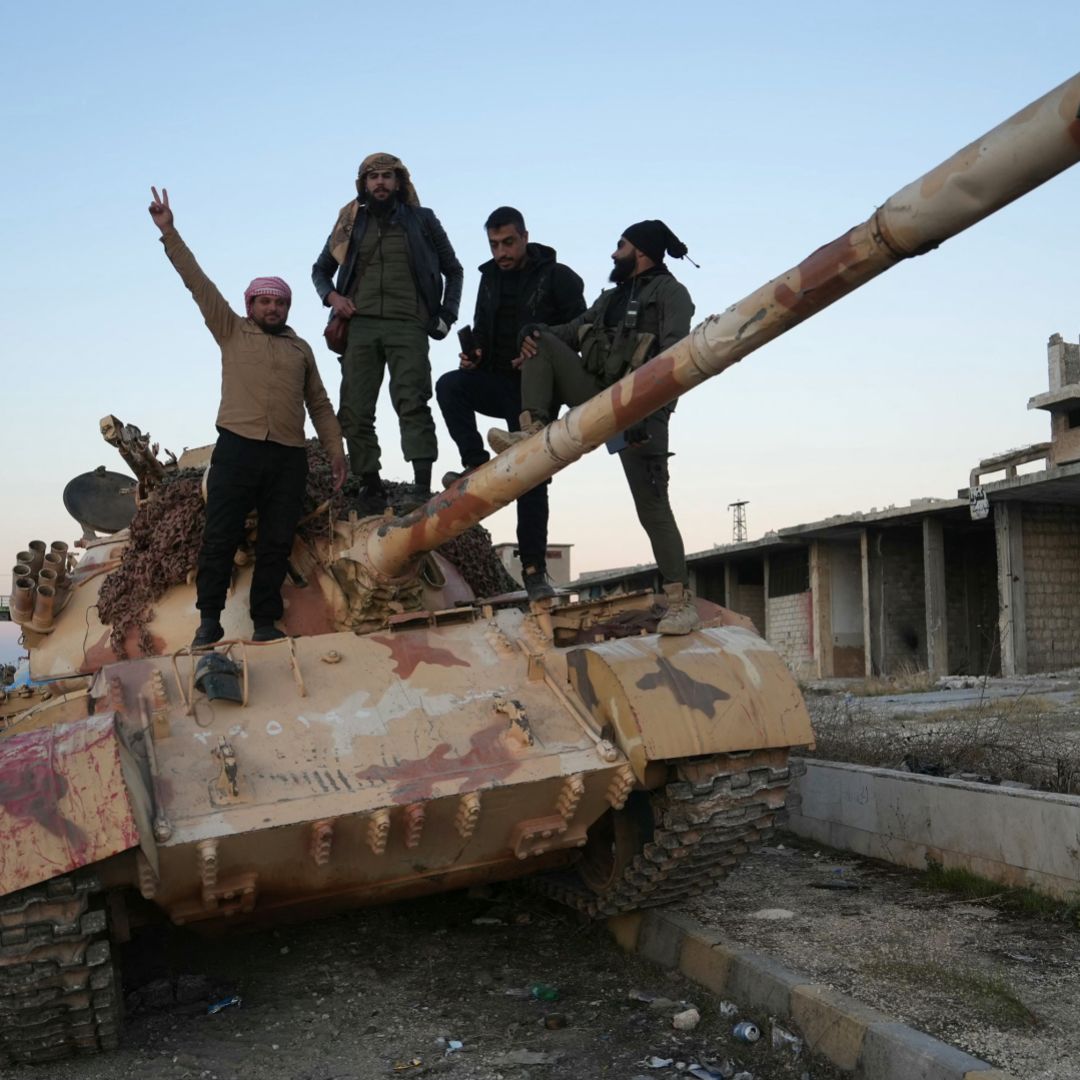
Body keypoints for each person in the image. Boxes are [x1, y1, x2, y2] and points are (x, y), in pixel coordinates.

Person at [148, 186, 347, 648]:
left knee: (277, 542)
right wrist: (169, 232)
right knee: (220, 537)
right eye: (265, 302)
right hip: (237, 449)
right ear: (250, 306)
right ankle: (208, 621)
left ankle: (264, 621)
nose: (273, 308)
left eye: (280, 303)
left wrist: (336, 453)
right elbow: (198, 283)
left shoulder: (301, 349)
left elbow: (319, 404)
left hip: (288, 457)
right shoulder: (231, 330)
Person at [488, 220, 700, 634]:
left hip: (641, 406)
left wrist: (648, 409)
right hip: (597, 396)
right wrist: (532, 334)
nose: (612, 254)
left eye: (620, 246)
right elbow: (567, 332)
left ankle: (680, 602)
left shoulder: (673, 295)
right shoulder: (611, 299)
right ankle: (532, 429)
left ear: (641, 251)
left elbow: (677, 359)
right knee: (540, 339)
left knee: (652, 508)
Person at [435, 206, 585, 600]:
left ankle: (534, 572)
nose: (500, 252)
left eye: (507, 242)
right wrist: (474, 355)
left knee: (530, 478)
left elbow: (584, 332)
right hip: (497, 381)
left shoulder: (559, 277)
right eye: (493, 244)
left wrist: (542, 337)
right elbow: (483, 330)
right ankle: (476, 463)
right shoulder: (488, 279)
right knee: (450, 386)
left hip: (535, 393)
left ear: (525, 237)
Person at [312, 153, 463, 503]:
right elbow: (320, 271)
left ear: (399, 182)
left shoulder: (422, 220)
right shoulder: (350, 223)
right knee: (355, 408)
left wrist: (446, 315)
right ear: (363, 184)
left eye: (387, 176)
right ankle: (370, 483)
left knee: (412, 401)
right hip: (359, 326)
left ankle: (421, 484)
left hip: (408, 323)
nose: (380, 182)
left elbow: (453, 269)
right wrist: (334, 298)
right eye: (373, 176)